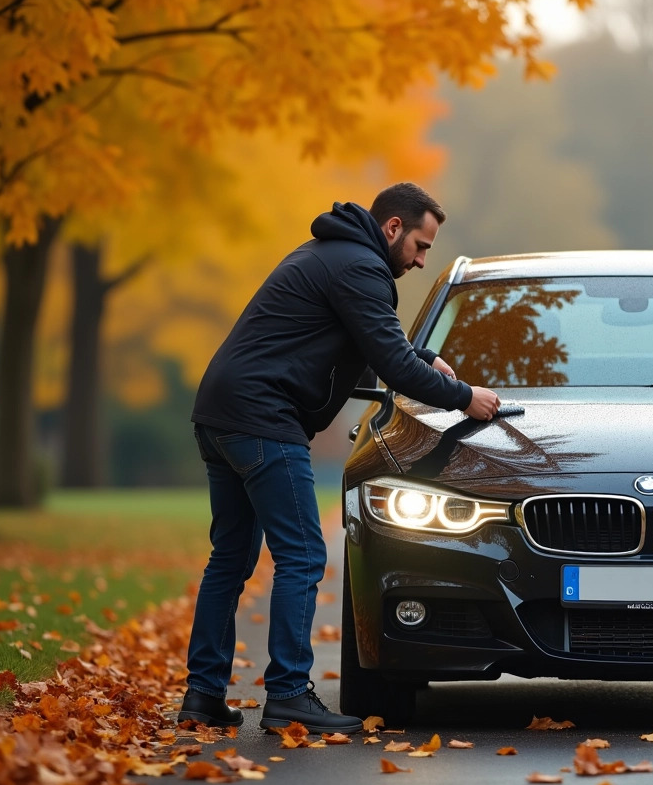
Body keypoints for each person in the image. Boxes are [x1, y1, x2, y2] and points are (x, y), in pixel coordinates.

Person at [177, 182, 500, 734]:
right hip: (261, 417)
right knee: (303, 552)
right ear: (393, 228)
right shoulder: (359, 266)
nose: (423, 261)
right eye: (421, 246)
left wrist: (426, 357)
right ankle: (287, 697)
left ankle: (202, 695)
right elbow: (392, 365)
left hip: (221, 410)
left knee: (230, 558)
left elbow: (369, 344)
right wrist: (466, 397)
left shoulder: (335, 255)